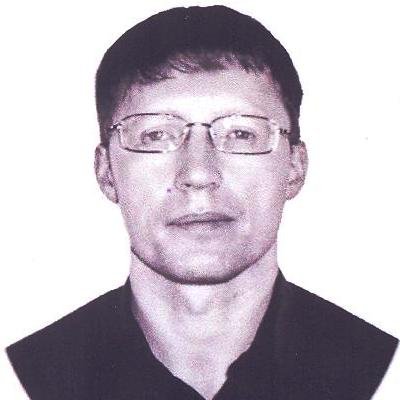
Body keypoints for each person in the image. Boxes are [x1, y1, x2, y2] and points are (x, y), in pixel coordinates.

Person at [6, 5, 398, 400]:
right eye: (156, 135)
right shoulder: (29, 376)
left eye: (241, 133)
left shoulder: (377, 369)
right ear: (107, 171)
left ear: (294, 167)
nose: (198, 173)